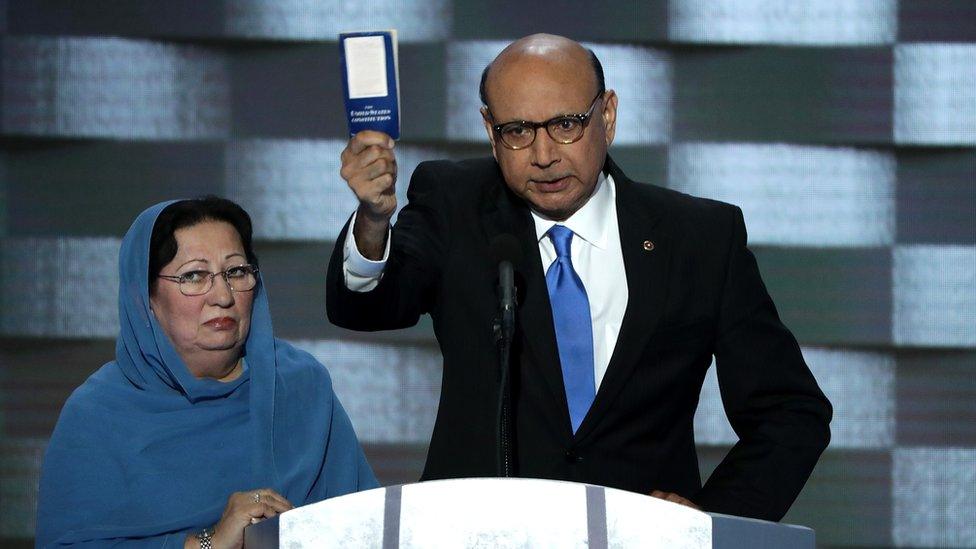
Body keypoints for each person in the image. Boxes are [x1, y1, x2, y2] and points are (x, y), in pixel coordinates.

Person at [326, 34, 831, 521]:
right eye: (518, 131)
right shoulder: (455, 203)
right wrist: (373, 221)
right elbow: (369, 306)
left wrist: (709, 522)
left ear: (607, 116)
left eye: (566, 124)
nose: (544, 155)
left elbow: (789, 413)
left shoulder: (698, 238)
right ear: (489, 130)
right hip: (480, 534)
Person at [37, 197, 377, 548]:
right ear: (146, 297)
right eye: (194, 276)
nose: (222, 296)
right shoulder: (97, 414)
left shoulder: (302, 386)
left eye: (236, 272)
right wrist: (207, 543)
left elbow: (368, 529)